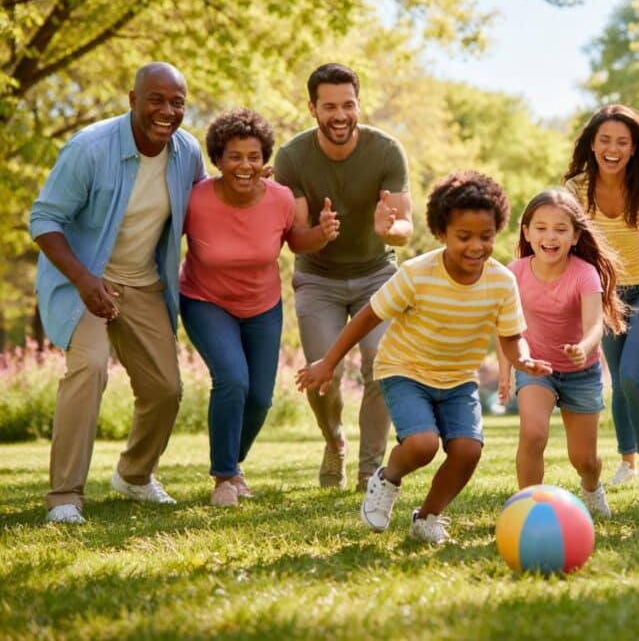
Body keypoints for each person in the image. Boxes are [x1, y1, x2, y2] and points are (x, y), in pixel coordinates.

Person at [296, 171, 551, 544]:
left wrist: (524, 359)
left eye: (486, 236)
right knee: (422, 444)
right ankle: (387, 480)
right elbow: (368, 316)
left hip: (459, 378)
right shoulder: (417, 274)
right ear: (441, 233)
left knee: (467, 450)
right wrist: (329, 361)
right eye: (464, 237)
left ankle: (427, 517)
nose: (476, 246)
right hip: (405, 370)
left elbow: (512, 336)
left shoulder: (501, 281)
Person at [29, 63, 207, 523]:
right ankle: (65, 496)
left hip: (144, 281)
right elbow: (44, 220)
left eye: (177, 102)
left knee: (166, 389)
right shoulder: (89, 149)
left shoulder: (187, 153)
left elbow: (206, 205)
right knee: (89, 368)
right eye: (156, 100)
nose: (167, 111)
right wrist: (85, 281)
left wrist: (251, 187)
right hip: (85, 279)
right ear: (132, 99)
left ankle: (134, 475)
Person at [179, 109, 340, 507]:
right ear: (217, 159)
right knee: (233, 379)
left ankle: (234, 464)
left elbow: (295, 241)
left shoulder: (281, 198)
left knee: (261, 398)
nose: (245, 166)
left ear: (264, 159)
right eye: (234, 156)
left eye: (253, 156)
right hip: (205, 300)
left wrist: (320, 234)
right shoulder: (194, 200)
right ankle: (223, 477)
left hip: (262, 305)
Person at [274, 63, 413, 492]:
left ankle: (369, 469)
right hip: (318, 279)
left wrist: (389, 229)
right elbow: (296, 240)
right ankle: (334, 440)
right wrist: (321, 233)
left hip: (376, 275)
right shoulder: (292, 157)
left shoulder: (386, 150)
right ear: (312, 108)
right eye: (329, 106)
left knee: (381, 362)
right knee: (321, 373)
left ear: (358, 104)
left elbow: (405, 229)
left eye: (348, 105)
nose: (340, 115)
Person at [564, 104, 639, 489]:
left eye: (622, 142)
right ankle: (627, 461)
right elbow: (571, 244)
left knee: (633, 374)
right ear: (593, 145)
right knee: (618, 378)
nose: (612, 149)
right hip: (606, 292)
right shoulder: (577, 189)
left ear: (633, 148)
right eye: (605, 141)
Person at [497, 189, 628, 518]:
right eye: (540, 228)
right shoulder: (514, 273)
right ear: (526, 232)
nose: (549, 237)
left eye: (560, 229)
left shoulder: (584, 273)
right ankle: (526, 508)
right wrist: (506, 370)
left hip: (581, 373)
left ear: (575, 236)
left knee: (583, 458)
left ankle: (591, 486)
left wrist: (583, 349)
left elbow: (595, 324)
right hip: (534, 366)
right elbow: (506, 328)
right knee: (533, 433)